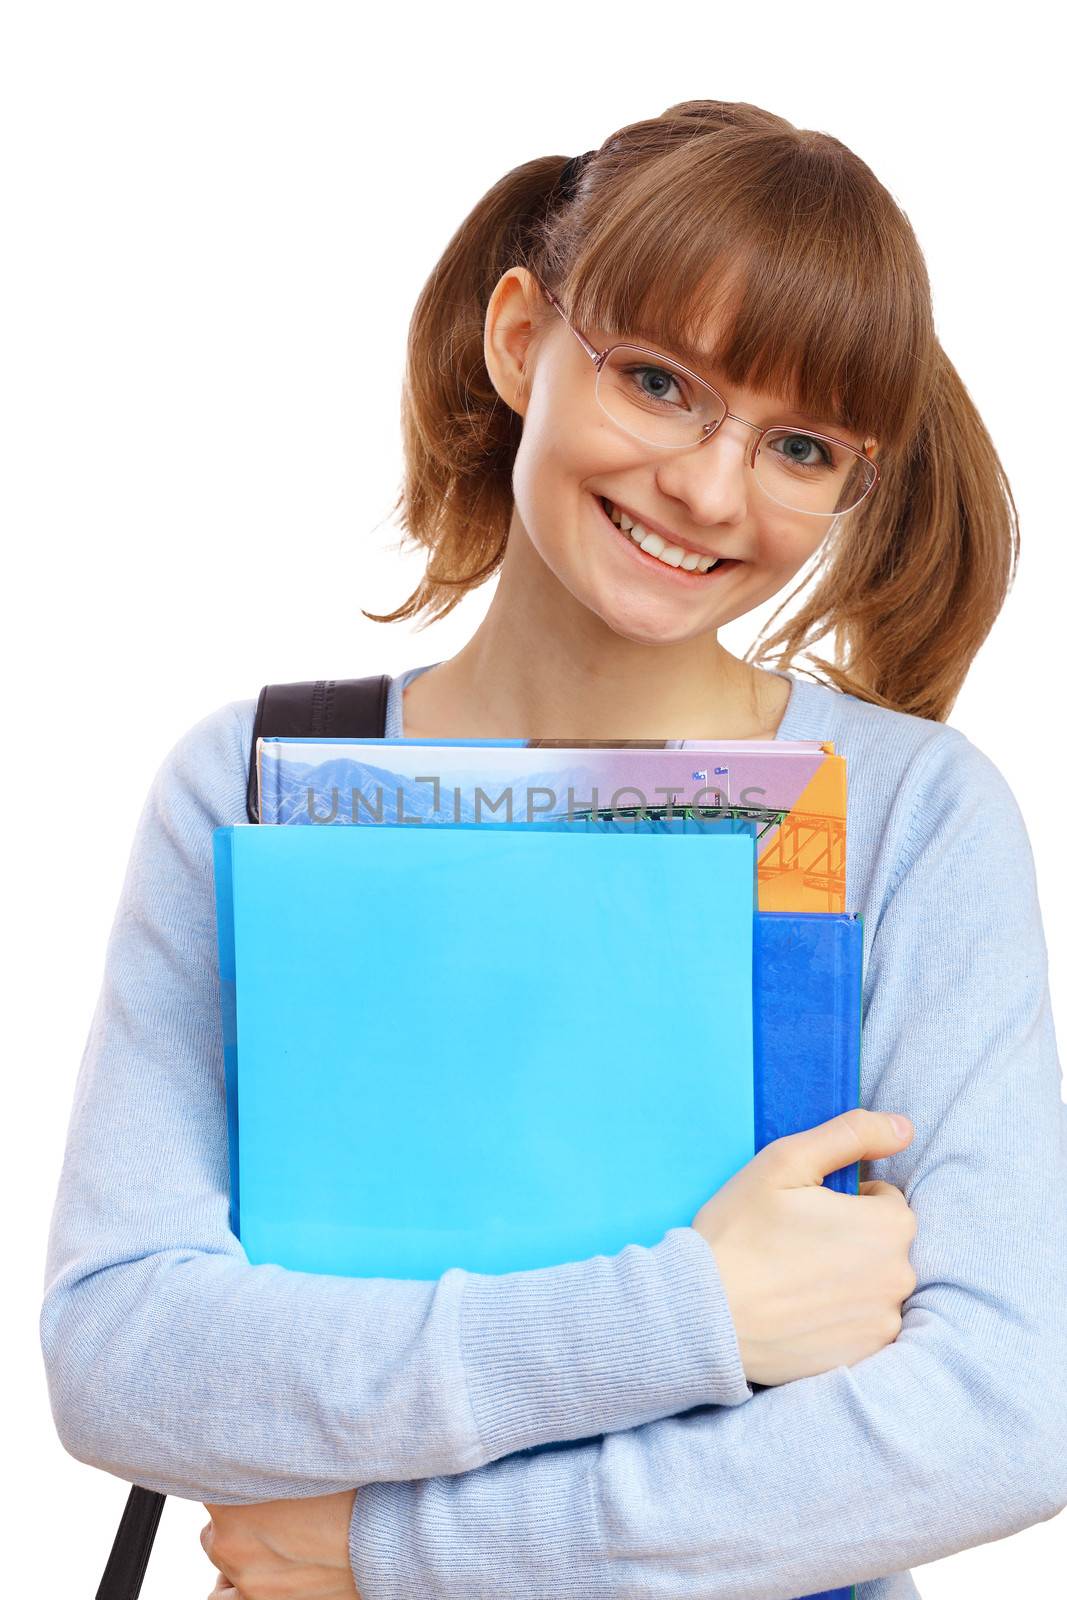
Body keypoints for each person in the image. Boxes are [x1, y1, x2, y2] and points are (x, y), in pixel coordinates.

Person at [41, 99, 1067, 1600]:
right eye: (659, 383)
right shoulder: (251, 783)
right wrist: (696, 1315)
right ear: (520, 338)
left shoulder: (913, 813)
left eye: (797, 447)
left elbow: (999, 1412)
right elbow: (124, 1354)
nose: (711, 492)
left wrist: (412, 1551)